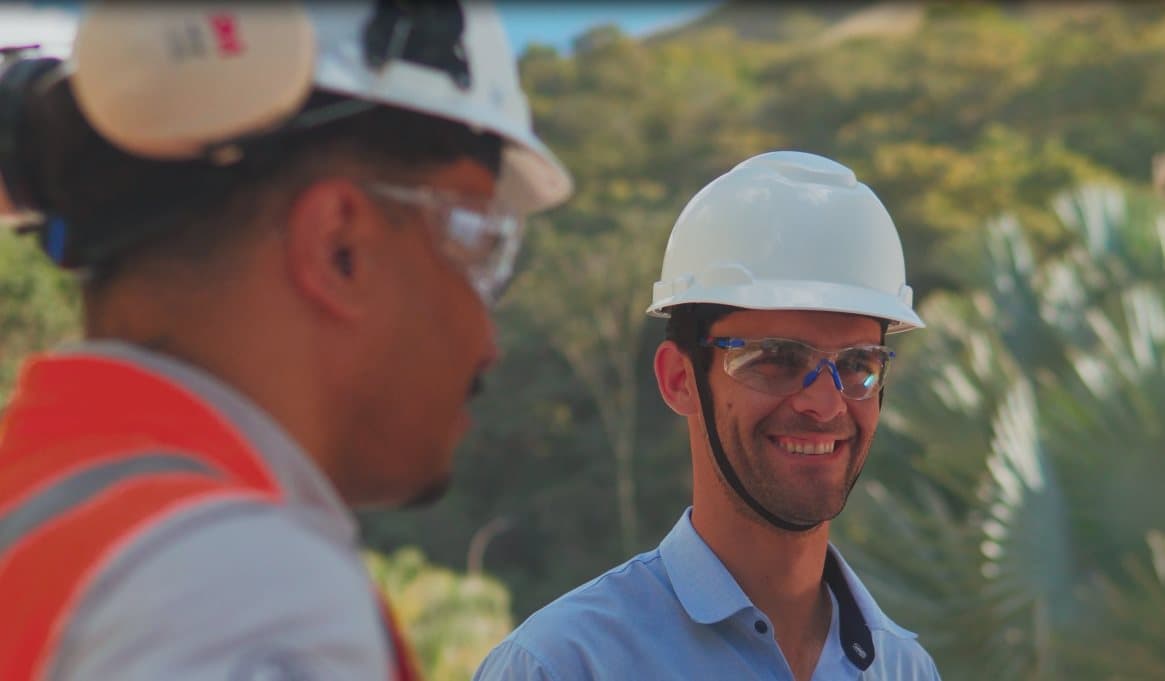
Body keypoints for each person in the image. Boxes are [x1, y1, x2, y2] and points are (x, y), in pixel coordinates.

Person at [0, 2, 572, 680]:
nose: (487, 340)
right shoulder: (245, 590)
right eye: (478, 242)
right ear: (340, 246)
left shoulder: (45, 508)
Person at [474, 150, 941, 681]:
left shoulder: (903, 670)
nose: (826, 403)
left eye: (858, 364)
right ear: (680, 379)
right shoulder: (565, 665)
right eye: (778, 360)